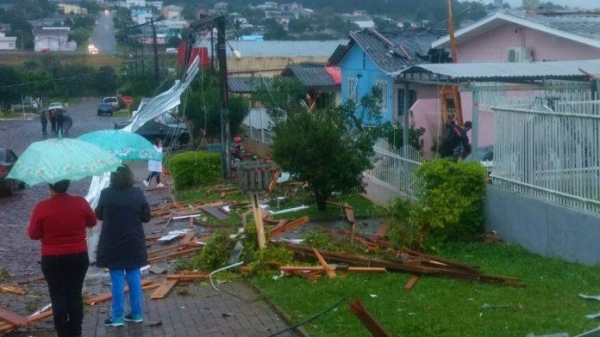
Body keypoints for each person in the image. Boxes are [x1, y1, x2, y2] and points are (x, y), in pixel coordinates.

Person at [28, 180, 97, 337]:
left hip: (52, 258)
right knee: (74, 293)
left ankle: (62, 332)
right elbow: (92, 221)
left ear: (50, 187)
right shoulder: (80, 202)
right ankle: (76, 331)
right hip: (78, 256)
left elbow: (33, 234)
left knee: (58, 296)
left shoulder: (42, 206)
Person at [95, 165, 151, 327]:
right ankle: (137, 313)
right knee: (134, 277)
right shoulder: (137, 193)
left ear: (112, 177)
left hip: (113, 243)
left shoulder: (106, 194)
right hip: (133, 241)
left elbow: (99, 214)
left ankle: (117, 316)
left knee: (117, 279)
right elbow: (146, 217)